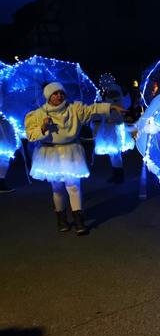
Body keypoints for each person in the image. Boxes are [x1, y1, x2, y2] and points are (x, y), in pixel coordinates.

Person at [24, 82, 126, 235]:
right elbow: (31, 135)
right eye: (55, 93)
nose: (59, 96)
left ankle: (79, 219)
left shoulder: (74, 108)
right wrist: (43, 128)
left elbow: (92, 109)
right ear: (48, 96)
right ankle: (61, 218)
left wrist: (110, 107)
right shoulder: (38, 114)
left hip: (71, 151)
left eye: (61, 93)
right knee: (57, 188)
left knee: (73, 186)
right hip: (50, 153)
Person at [93, 82, 134, 184]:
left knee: (115, 153)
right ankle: (117, 174)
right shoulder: (108, 103)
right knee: (113, 154)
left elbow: (124, 108)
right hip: (108, 131)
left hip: (116, 131)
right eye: (111, 94)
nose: (113, 96)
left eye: (114, 93)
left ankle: (119, 175)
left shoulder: (120, 102)